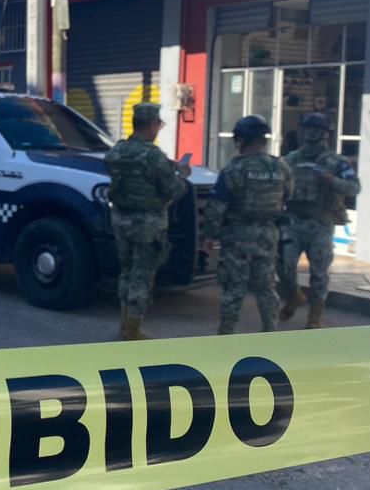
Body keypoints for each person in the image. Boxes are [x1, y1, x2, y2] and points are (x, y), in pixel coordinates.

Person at [104, 103, 191, 341]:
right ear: (151, 124)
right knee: (142, 275)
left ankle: (124, 322)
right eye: (158, 125)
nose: (158, 129)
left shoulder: (118, 150)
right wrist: (182, 175)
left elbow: (120, 168)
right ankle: (133, 329)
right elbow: (174, 190)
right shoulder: (153, 156)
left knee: (126, 271)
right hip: (148, 223)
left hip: (120, 219)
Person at [204, 116, 292, 335]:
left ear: (241, 140)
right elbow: (287, 196)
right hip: (268, 235)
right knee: (266, 287)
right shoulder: (281, 167)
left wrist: (209, 235)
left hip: (237, 236)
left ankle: (226, 335)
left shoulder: (234, 168)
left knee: (234, 287)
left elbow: (217, 206)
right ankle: (269, 331)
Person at [279, 112, 362, 330]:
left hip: (320, 222)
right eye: (308, 129)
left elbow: (355, 187)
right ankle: (294, 296)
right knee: (283, 265)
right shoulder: (291, 160)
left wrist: (331, 180)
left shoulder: (337, 162)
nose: (311, 133)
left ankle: (315, 314)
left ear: (326, 134)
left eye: (316, 129)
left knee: (319, 272)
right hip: (293, 220)